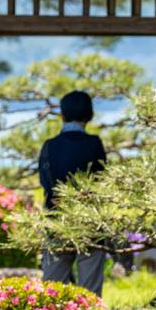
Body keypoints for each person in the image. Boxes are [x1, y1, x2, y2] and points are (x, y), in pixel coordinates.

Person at [37, 90, 109, 295]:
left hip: (56, 218)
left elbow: (44, 182)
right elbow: (102, 181)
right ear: (89, 116)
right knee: (90, 290)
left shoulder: (50, 146)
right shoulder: (95, 144)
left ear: (62, 115)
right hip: (90, 220)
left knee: (52, 288)